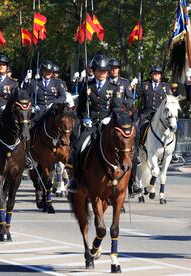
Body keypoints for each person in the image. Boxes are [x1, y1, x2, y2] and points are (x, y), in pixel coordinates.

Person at [68, 54, 131, 193]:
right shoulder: (86, 87)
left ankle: (131, 183)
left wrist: (109, 118)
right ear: (94, 71)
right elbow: (81, 108)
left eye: (104, 71)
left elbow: (117, 107)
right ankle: (76, 180)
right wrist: (84, 118)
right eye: (99, 70)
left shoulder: (114, 88)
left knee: (126, 147)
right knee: (78, 147)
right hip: (91, 125)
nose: (102, 73)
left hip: (107, 125)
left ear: (108, 71)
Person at [129, 65, 171, 195]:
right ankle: (138, 147)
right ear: (151, 74)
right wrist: (133, 88)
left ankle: (171, 151)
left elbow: (169, 102)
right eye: (154, 73)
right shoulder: (145, 85)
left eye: (158, 74)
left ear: (160, 75)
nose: (156, 75)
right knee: (138, 127)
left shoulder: (166, 87)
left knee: (172, 129)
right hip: (147, 114)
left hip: (160, 117)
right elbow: (136, 97)